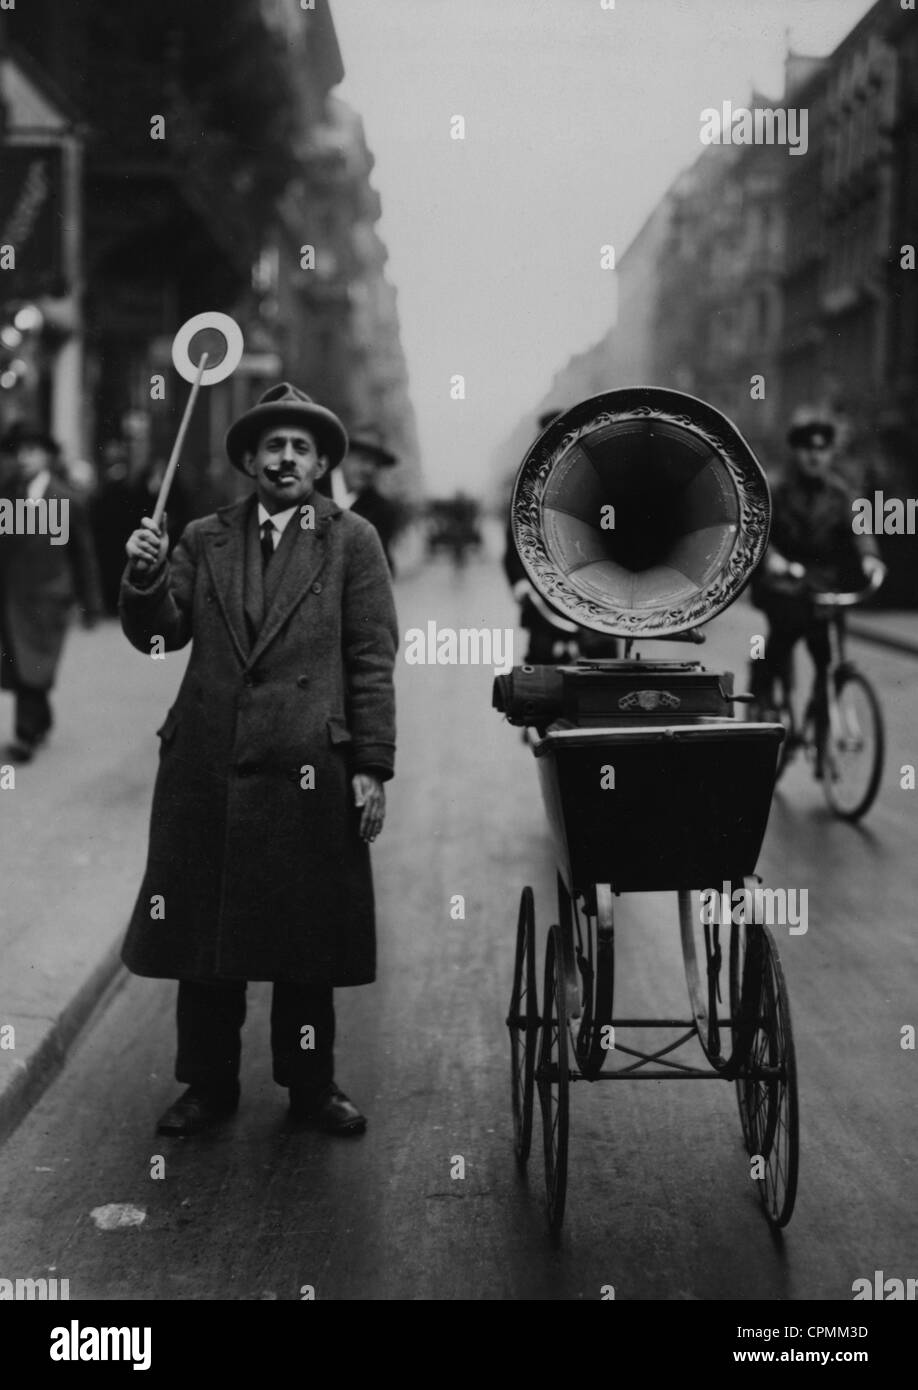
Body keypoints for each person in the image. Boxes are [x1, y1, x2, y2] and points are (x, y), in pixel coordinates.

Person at [120, 383, 397, 1138]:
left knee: (305, 944)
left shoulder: (352, 540)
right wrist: (144, 577)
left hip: (309, 766)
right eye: (272, 446)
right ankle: (207, 1085)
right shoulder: (203, 537)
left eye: (299, 448)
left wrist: (371, 764)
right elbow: (159, 637)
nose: (284, 458)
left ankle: (311, 1088)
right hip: (209, 763)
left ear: (319, 463)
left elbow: (372, 657)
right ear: (249, 458)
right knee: (205, 944)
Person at [748, 409, 886, 731]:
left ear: (829, 453)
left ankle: (823, 729)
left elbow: (860, 528)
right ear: (796, 452)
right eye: (808, 449)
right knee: (783, 635)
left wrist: (870, 557)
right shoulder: (776, 489)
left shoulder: (840, 494)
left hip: (823, 587)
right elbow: (757, 531)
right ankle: (763, 693)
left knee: (827, 657)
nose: (815, 456)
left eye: (822, 449)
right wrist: (772, 558)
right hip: (781, 583)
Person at [0, 425, 102, 762]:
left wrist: (91, 604)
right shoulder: (8, 497)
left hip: (49, 600)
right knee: (24, 667)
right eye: (19, 451)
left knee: (35, 665)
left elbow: (83, 555)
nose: (24, 457)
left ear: (47, 456)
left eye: (32, 450)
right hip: (14, 597)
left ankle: (26, 735)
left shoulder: (65, 500)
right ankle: (38, 721)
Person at [323, 422, 401, 571]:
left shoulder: (381, 510)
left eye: (376, 464)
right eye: (363, 459)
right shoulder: (310, 488)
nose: (369, 469)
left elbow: (383, 567)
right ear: (344, 455)